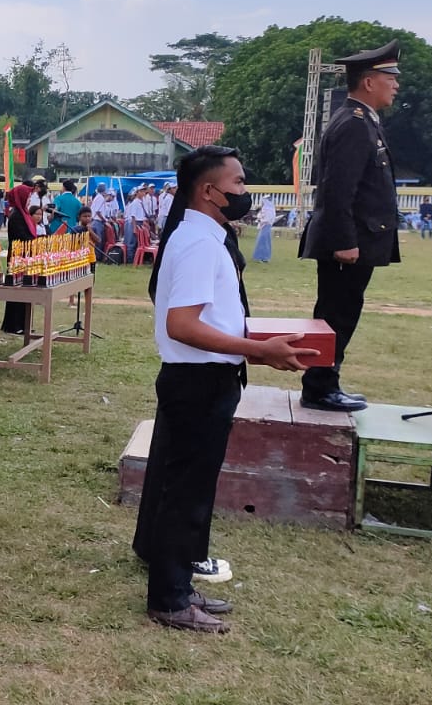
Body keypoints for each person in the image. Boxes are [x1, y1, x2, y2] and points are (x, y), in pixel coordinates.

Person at [133, 145, 315, 633]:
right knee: (184, 492)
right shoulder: (195, 242)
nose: (244, 191)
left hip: (209, 379)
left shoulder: (206, 237)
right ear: (209, 191)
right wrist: (257, 351)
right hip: (197, 382)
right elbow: (183, 325)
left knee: (192, 489)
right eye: (236, 183)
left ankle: (179, 584)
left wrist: (252, 346)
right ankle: (169, 600)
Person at [298, 41, 403, 413]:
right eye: (391, 77)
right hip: (348, 243)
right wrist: (344, 240)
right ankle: (320, 387)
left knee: (342, 313)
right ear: (369, 81)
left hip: (359, 239)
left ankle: (327, 381)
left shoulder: (364, 121)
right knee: (335, 316)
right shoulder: (354, 125)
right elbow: (338, 189)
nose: (396, 84)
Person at [0, 182, 39, 336]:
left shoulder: (25, 214)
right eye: (28, 197)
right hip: (18, 257)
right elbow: (22, 237)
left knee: (26, 290)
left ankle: (24, 322)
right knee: (16, 291)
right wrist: (37, 241)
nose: (29, 200)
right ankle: (13, 324)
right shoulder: (16, 216)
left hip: (26, 256)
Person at [252, 196, 277, 263]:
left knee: (262, 242)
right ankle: (265, 257)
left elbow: (266, 219)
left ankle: (261, 257)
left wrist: (260, 220)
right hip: (266, 226)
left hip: (265, 226)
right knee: (265, 242)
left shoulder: (266, 209)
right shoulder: (271, 209)